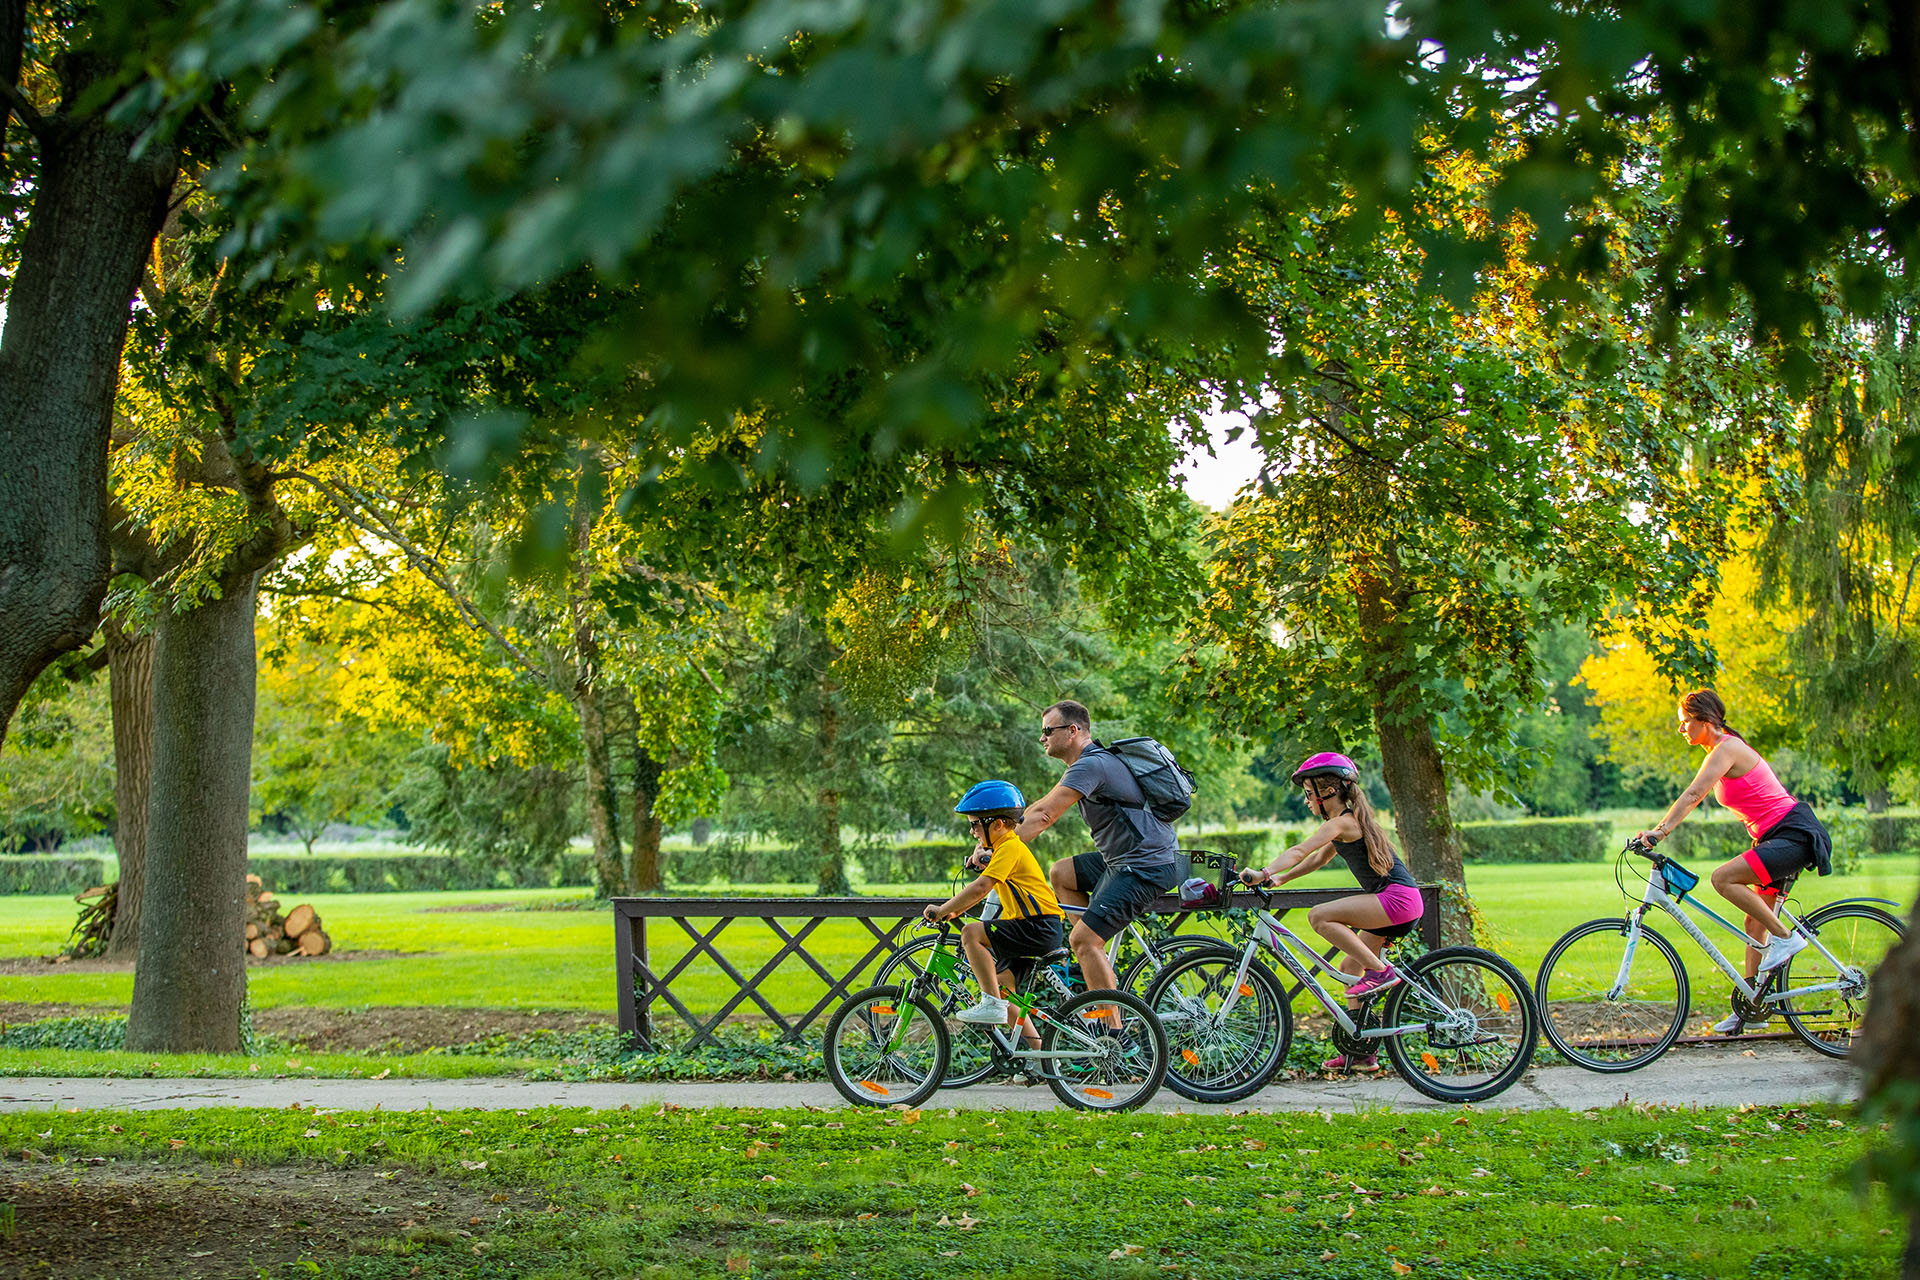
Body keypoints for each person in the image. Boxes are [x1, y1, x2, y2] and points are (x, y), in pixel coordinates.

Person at [1634, 689, 1832, 1032]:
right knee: (1754, 925)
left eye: (1685, 723)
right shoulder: (1719, 749)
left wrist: (1659, 832)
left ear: (1705, 721)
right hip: (1775, 838)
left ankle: (1785, 938)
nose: (1681, 730)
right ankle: (1751, 1009)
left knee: (1723, 879)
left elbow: (1694, 794)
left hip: (1794, 835)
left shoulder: (1727, 748)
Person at [1239, 751, 1423, 1073]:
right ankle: (1361, 1051)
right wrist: (1280, 878)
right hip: (1401, 902)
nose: (1307, 802)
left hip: (1397, 900)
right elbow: (1316, 859)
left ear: (1328, 794)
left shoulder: (1343, 822)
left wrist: (1265, 872)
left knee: (1319, 916)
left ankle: (1381, 973)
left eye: (1309, 794)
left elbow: (1299, 850)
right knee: (1351, 965)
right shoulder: (1347, 824)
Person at [1014, 700, 1184, 1014]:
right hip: (1124, 860)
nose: (1042, 738)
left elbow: (1046, 816)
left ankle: (1115, 1036)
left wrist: (997, 849)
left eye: (1048, 731)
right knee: (1062, 873)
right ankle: (1093, 959)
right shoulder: (1086, 764)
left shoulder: (1092, 764)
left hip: (1145, 864)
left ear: (1073, 730)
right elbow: (1039, 808)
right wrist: (996, 839)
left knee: (1083, 940)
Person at [922, 780, 1066, 1038]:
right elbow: (984, 880)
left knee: (971, 933)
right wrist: (956, 907)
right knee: (1004, 990)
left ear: (997, 824)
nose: (972, 831)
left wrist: (943, 909)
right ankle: (1040, 1056)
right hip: (1036, 925)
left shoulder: (1010, 847)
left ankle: (990, 1004)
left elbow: (981, 888)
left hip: (1037, 925)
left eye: (975, 824)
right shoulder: (1004, 848)